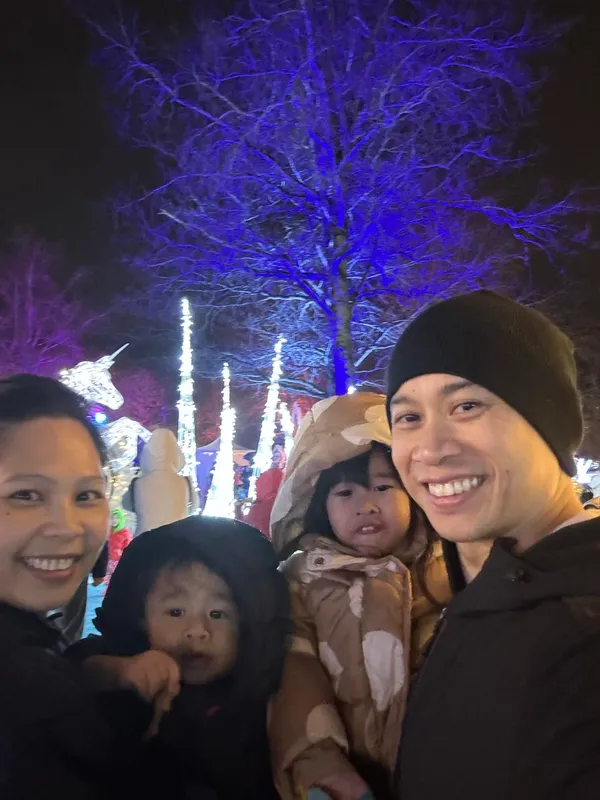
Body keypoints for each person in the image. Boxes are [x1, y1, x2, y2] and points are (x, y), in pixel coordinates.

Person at [386, 290, 600, 800]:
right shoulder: (487, 593)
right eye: (409, 417)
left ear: (549, 425)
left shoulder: (583, 630)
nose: (430, 450)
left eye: (467, 406)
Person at [269, 393, 450, 800]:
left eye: (384, 487)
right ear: (319, 505)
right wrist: (318, 758)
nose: (367, 505)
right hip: (352, 774)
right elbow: (295, 669)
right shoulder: (303, 582)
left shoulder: (446, 569)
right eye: (344, 493)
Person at [69, 516, 290, 799]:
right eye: (176, 612)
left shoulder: (270, 701)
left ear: (247, 627)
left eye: (217, 614)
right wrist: (116, 672)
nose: (197, 630)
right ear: (141, 618)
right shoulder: (122, 668)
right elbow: (66, 676)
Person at [0, 373, 117, 799]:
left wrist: (90, 670)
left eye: (86, 495)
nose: (68, 528)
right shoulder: (27, 697)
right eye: (26, 495)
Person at [124, 428, 198, 535]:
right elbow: (194, 506)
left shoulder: (138, 483)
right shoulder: (185, 482)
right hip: (178, 538)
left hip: (145, 539)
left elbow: (126, 504)